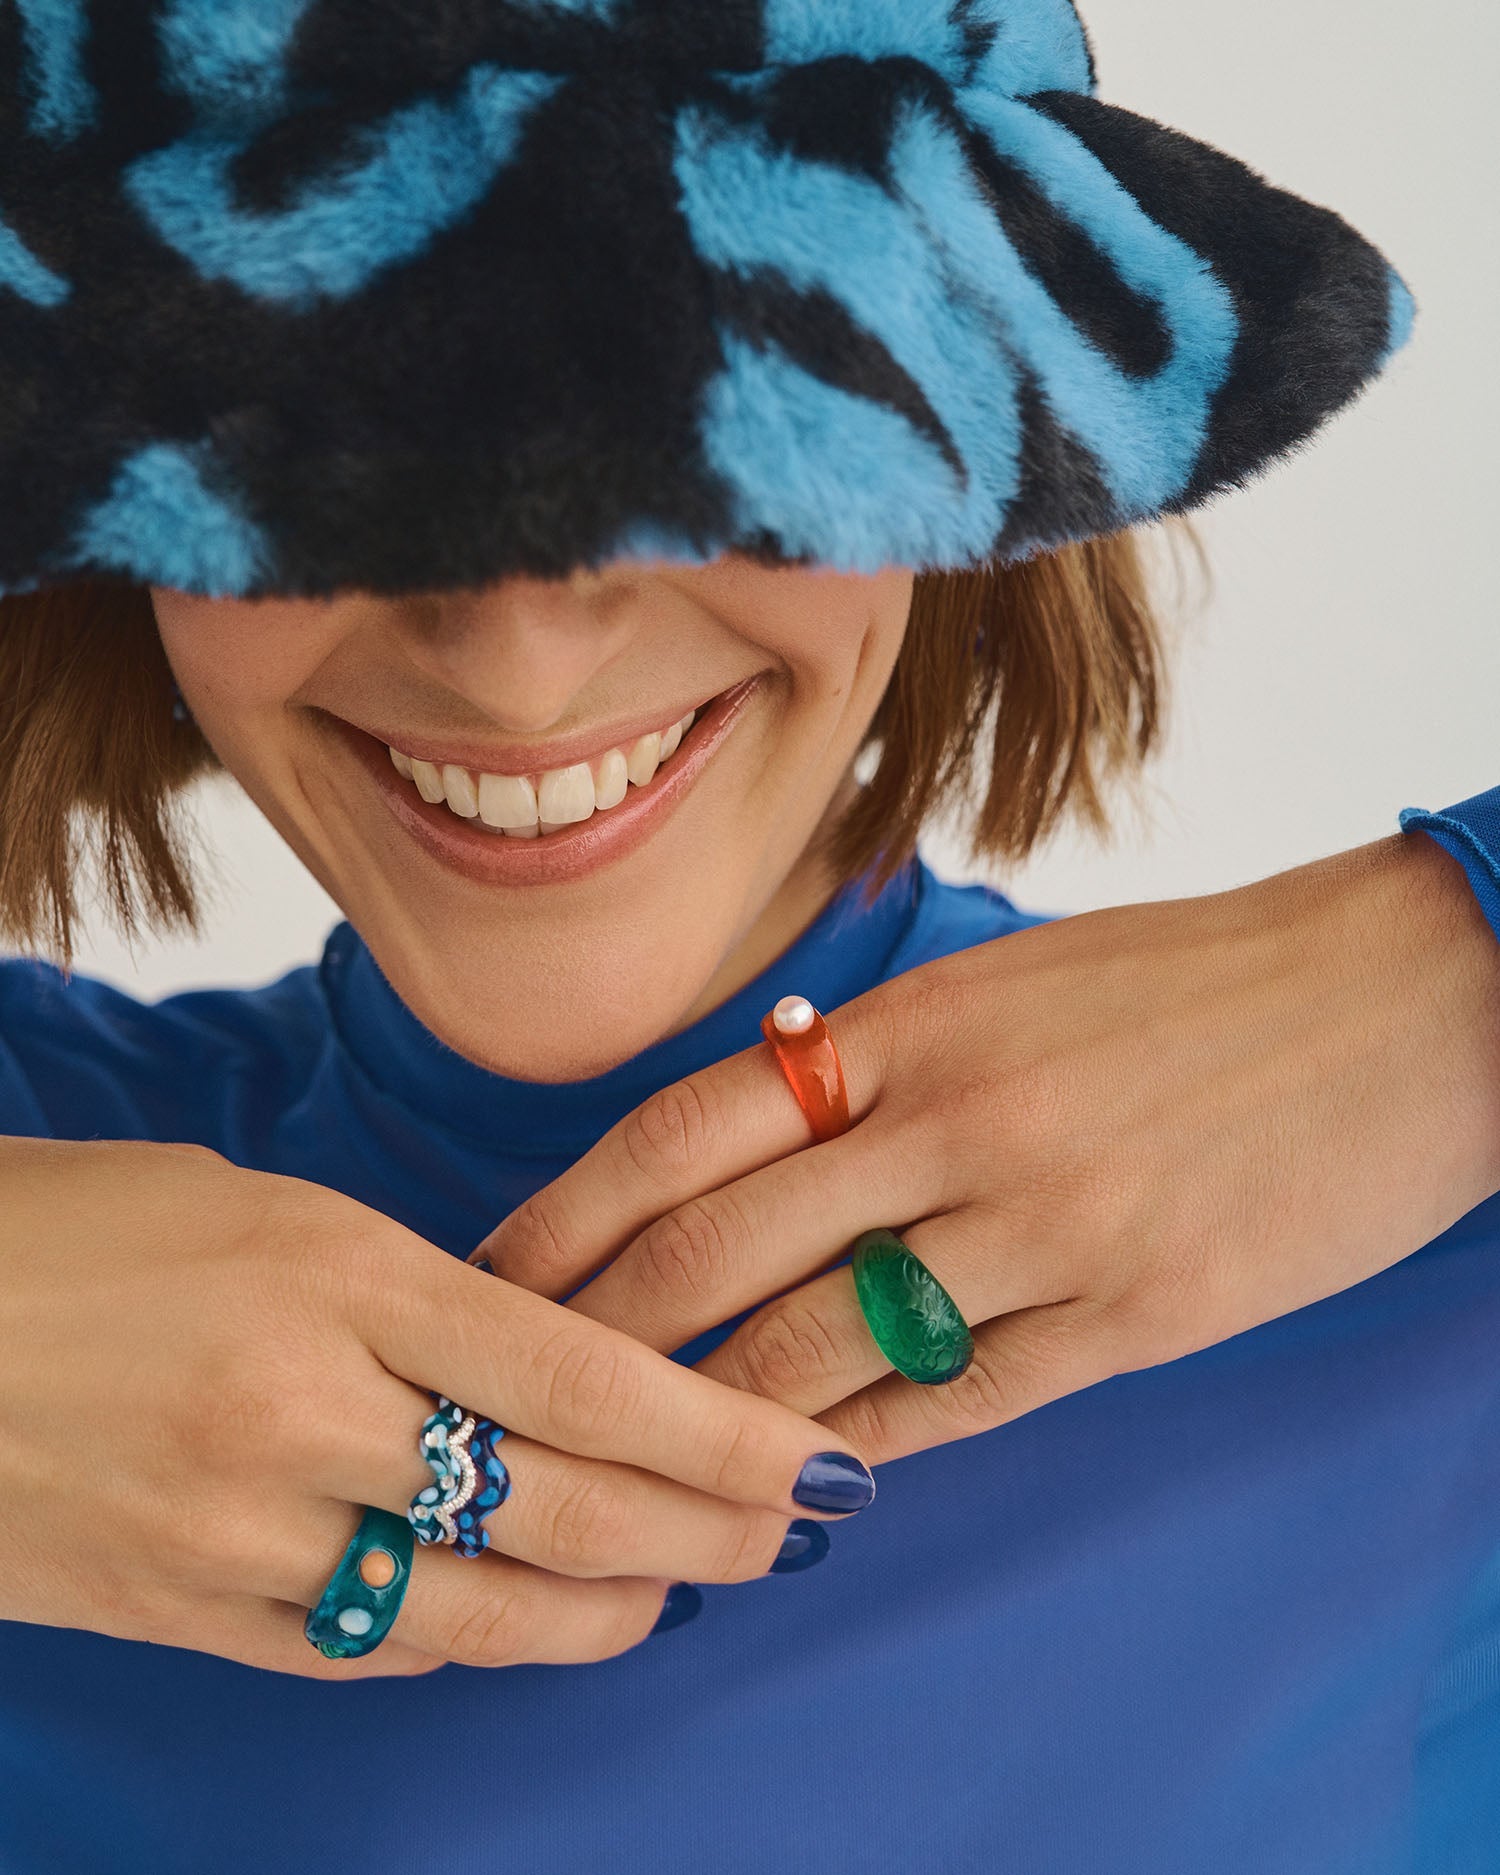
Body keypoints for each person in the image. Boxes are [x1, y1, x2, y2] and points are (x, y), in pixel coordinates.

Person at [2, 4, 1498, 1871]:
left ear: (957, 398)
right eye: (323, 424)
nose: (521, 639)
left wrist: (1456, 957)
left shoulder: (1421, 1230)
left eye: (690, 399)